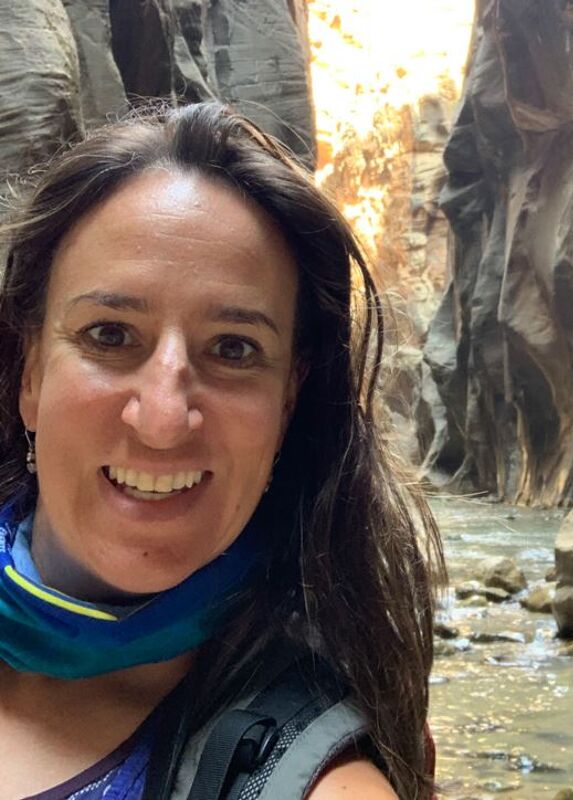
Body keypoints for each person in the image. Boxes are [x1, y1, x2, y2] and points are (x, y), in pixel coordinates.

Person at [0, 102, 444, 799]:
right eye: (110, 335)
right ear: (29, 371)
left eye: (234, 349)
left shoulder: (319, 782)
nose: (163, 419)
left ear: (288, 403)